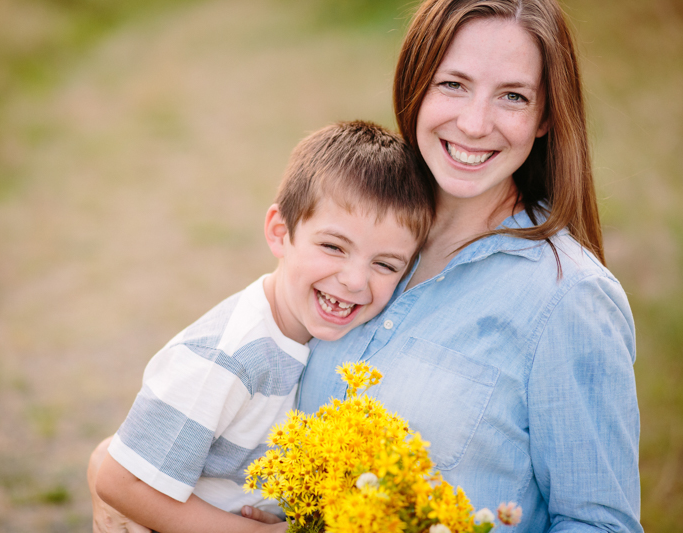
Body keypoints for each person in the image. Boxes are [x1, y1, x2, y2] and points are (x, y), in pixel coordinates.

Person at [90, 0, 643, 531]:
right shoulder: (369, 228)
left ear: (546, 116)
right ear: (416, 84)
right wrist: (115, 476)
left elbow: (599, 523)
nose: (475, 123)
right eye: (453, 84)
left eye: (514, 97)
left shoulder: (569, 298)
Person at [93, 120, 433, 533]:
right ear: (280, 233)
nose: (355, 280)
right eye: (333, 247)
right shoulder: (229, 357)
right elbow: (118, 480)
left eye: (385, 264)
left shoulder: (321, 335)